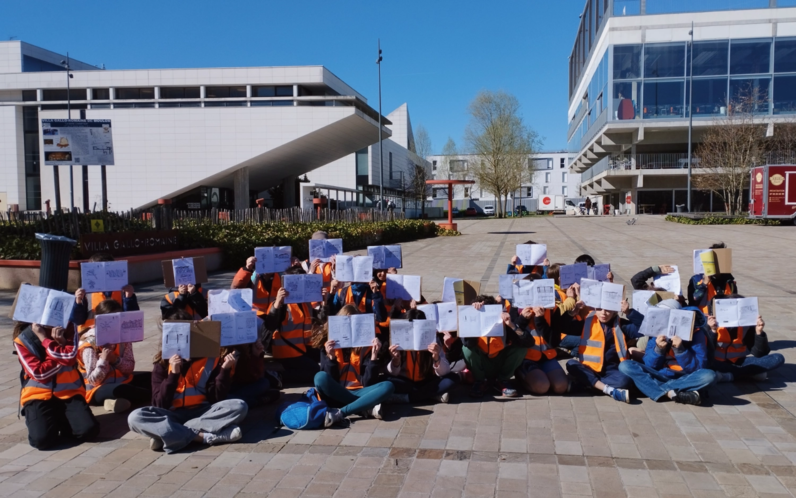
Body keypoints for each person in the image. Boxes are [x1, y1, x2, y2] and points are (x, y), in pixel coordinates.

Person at [127, 312, 247, 453]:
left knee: (239, 406)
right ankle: (202, 437)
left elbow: (217, 398)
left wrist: (224, 371)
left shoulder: (210, 359)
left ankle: (167, 434)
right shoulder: (161, 364)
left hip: (203, 413)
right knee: (135, 417)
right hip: (171, 414)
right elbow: (159, 404)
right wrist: (173, 374)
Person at [14, 320, 100, 449]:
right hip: (38, 394)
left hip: (69, 392)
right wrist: (55, 346)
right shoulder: (24, 338)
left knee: (89, 431)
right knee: (42, 441)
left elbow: (70, 357)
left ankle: (62, 419)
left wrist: (54, 347)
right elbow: (40, 374)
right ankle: (47, 420)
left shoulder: (70, 327)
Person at [618, 300, 716, 405]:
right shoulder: (656, 330)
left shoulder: (697, 333)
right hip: (660, 374)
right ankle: (673, 393)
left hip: (685, 377)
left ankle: (657, 388)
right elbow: (650, 365)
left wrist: (680, 350)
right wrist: (658, 349)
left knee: (709, 376)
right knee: (625, 366)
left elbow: (699, 367)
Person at [312, 305, 394, 426]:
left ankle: (342, 412)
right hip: (337, 392)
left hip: (361, 392)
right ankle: (363, 407)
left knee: (388, 386)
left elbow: (368, 384)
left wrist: (373, 357)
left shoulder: (366, 346)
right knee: (319, 377)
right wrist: (331, 358)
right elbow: (329, 381)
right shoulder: (328, 345)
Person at [77, 299, 151, 413]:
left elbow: (129, 368)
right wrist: (104, 361)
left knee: (153, 377)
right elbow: (93, 381)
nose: (116, 323)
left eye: (119, 318)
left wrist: (115, 360)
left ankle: (112, 402)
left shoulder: (123, 338)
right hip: (97, 388)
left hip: (122, 380)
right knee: (122, 390)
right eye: (111, 319)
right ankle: (153, 394)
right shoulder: (89, 344)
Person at [564, 299, 643, 403]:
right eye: (600, 309)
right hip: (589, 368)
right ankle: (608, 390)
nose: (603, 313)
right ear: (595, 308)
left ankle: (588, 385)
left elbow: (644, 328)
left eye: (608, 310)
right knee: (571, 364)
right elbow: (564, 327)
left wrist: (629, 312)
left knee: (625, 381)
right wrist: (572, 313)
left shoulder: (621, 325)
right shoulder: (587, 321)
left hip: (612, 371)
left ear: (615, 311)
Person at [385, 309, 459, 404]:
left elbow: (444, 372)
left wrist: (437, 358)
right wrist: (396, 361)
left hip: (426, 381)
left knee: (453, 379)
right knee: (385, 382)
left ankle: (407, 398)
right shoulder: (397, 341)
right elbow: (391, 373)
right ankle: (432, 395)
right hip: (405, 382)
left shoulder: (433, 339)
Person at [461, 296, 527, 398]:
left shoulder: (503, 320)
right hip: (481, 365)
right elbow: (468, 343)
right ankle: (480, 382)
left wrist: (511, 325)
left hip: (500, 363)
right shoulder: (470, 322)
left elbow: (528, 342)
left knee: (521, 348)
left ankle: (502, 381)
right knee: (466, 350)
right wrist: (473, 316)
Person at [707, 297, 785, 382]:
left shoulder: (747, 326)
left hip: (740, 361)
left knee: (778, 358)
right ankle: (746, 374)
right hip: (718, 362)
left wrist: (759, 332)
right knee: (707, 364)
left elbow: (760, 354)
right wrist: (713, 331)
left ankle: (730, 375)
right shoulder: (710, 324)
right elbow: (707, 352)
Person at [267, 265, 321, 383]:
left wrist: (325, 300)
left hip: (303, 348)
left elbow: (319, 320)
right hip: (286, 352)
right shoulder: (281, 304)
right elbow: (270, 325)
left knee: (327, 358)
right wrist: (277, 304)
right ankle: (278, 376)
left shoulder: (306, 302)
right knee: (315, 371)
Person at [72, 252, 139, 333]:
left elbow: (132, 318)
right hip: (92, 336)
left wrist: (129, 298)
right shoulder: (85, 293)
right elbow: (77, 320)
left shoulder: (123, 290)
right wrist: (78, 302)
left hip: (118, 336)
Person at [512, 306, 569, 395]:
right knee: (541, 386)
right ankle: (521, 376)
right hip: (526, 357)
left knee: (561, 386)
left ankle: (539, 376)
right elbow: (511, 336)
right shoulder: (516, 306)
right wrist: (522, 319)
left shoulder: (553, 309)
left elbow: (554, 342)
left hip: (547, 357)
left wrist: (540, 320)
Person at [223, 336, 280, 408]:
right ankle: (255, 401)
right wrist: (224, 369)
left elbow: (250, 377)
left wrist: (256, 355)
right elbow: (216, 392)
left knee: (264, 383)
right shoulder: (217, 352)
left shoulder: (241, 350)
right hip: (220, 391)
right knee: (229, 401)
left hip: (235, 388)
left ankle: (246, 400)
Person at [688, 243, 737, 315]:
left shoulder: (729, 281)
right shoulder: (697, 279)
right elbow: (693, 300)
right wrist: (704, 284)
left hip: (724, 319)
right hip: (703, 320)